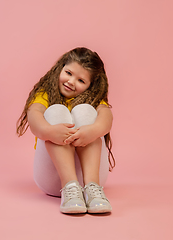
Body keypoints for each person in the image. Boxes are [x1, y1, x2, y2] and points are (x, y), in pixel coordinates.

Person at [16, 47, 115, 214]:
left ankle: (93, 190)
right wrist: (49, 131)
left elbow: (106, 118)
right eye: (68, 73)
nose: (71, 81)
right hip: (52, 179)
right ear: (60, 68)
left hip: (89, 178)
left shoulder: (93, 99)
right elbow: (34, 117)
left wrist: (92, 131)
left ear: (91, 86)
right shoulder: (45, 94)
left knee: (85, 110)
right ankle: (69, 187)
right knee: (55, 111)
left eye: (81, 81)